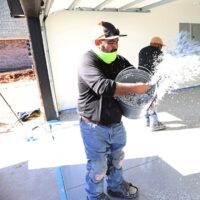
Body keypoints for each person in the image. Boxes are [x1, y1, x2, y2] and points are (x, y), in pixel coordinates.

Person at [77, 21, 149, 200]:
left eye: (116, 41)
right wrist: (135, 88)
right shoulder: (87, 61)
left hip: (116, 123)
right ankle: (94, 196)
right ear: (97, 42)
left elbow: (135, 76)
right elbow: (103, 87)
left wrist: (148, 96)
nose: (115, 45)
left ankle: (116, 188)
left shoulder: (118, 60)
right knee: (98, 166)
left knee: (117, 160)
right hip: (93, 127)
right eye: (110, 41)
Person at [138, 36, 166, 131]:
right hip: (152, 79)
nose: (161, 48)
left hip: (141, 78)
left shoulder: (142, 50)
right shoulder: (159, 53)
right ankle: (154, 124)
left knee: (144, 99)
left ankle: (147, 121)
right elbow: (160, 68)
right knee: (151, 100)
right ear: (158, 45)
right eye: (161, 46)